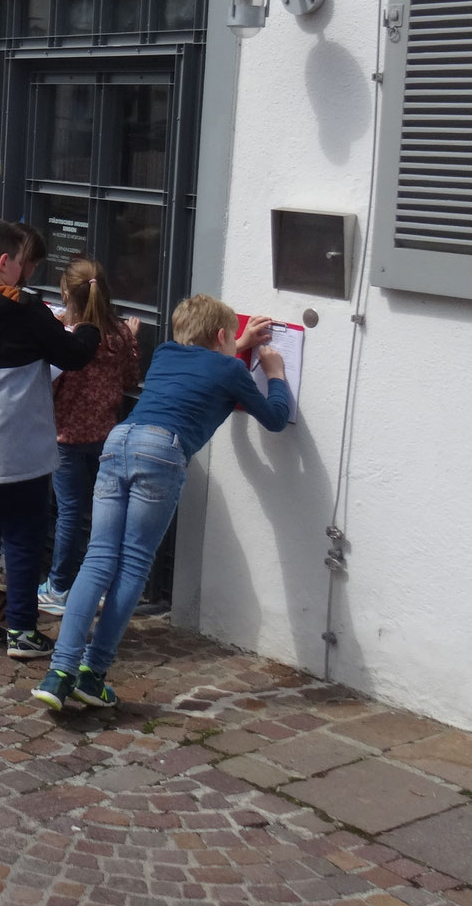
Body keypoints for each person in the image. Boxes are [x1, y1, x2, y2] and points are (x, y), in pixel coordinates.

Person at [33, 297, 290, 712]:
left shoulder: (167, 353)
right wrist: (275, 374)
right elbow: (275, 418)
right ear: (222, 337)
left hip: (119, 441)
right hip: (161, 453)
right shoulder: (231, 369)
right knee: (133, 565)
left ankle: (59, 671)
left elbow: (203, 361)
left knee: (98, 559)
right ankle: (93, 674)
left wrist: (237, 343)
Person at [0, 217, 102, 660]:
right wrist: (87, 324)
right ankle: (23, 631)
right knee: (22, 538)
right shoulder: (25, 310)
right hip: (16, 451)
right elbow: (73, 355)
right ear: (5, 261)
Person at [38, 259, 141, 617]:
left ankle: (60, 586)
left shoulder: (66, 336)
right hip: (106, 435)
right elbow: (130, 377)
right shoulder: (119, 334)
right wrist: (132, 342)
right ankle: (97, 584)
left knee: (68, 511)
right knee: (102, 512)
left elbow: (48, 385)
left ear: (66, 293)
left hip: (66, 436)